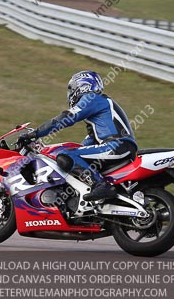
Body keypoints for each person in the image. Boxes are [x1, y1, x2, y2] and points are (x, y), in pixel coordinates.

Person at [19, 70, 137, 201]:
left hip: (116, 146)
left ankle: (101, 186)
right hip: (118, 146)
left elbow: (67, 118)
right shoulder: (99, 109)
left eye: (71, 88)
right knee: (69, 155)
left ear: (82, 86)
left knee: (66, 156)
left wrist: (35, 133)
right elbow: (89, 141)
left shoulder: (92, 99)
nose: (70, 93)